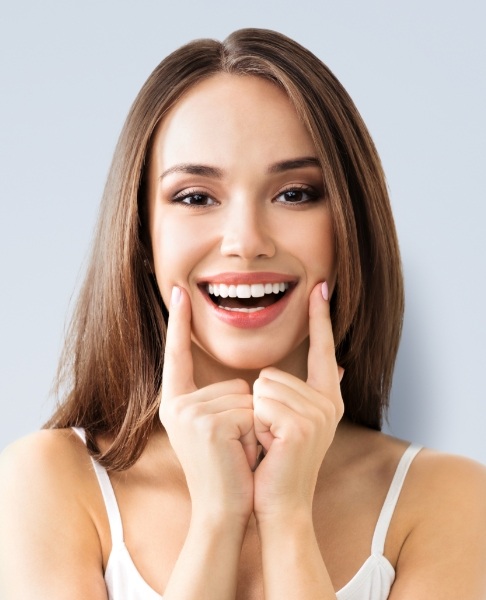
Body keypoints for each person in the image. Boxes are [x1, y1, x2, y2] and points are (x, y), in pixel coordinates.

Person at [0, 28, 485, 600]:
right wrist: (215, 518)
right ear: (142, 235)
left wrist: (286, 517)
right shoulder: (51, 482)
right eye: (196, 197)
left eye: (296, 193)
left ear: (349, 225)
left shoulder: (447, 497)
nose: (246, 241)